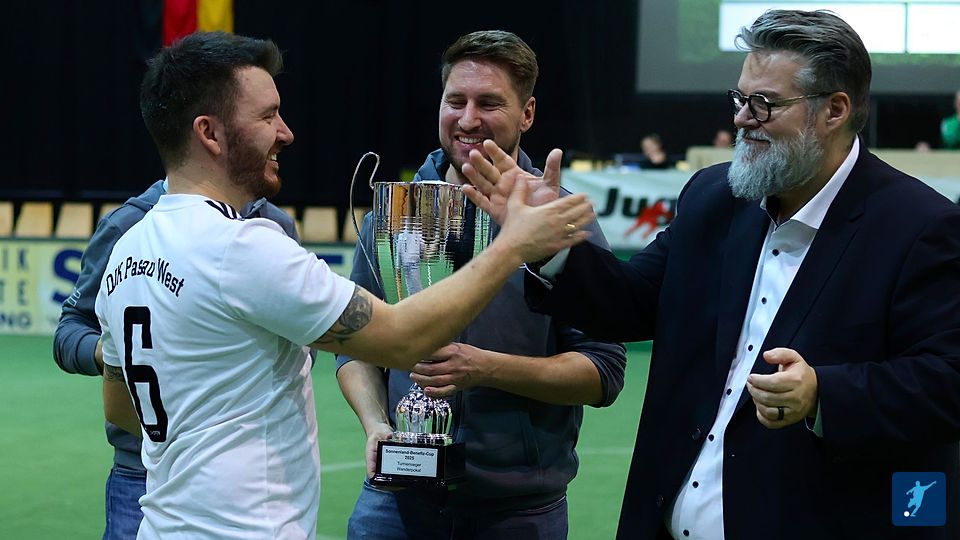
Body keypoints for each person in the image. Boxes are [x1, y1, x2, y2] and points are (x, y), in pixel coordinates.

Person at [463, 10, 960, 540]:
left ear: (834, 110)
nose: (743, 118)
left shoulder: (918, 226)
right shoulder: (714, 198)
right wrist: (550, 247)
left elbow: (947, 381)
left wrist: (823, 394)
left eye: (764, 103)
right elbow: (630, 303)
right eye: (740, 98)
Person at [95, 31, 593, 540]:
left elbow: (122, 409)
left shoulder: (129, 248)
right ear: (210, 133)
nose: (286, 133)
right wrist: (513, 245)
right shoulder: (243, 248)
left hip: (164, 524)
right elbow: (401, 339)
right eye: (267, 116)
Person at [335, 30, 626, 539]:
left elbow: (603, 372)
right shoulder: (395, 214)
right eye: (456, 101)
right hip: (394, 499)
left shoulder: (559, 220)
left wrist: (485, 368)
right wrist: (378, 424)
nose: (468, 119)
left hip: (517, 511)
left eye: (489, 103)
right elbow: (353, 346)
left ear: (527, 114)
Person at [54, 180, 297, 539]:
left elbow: (299, 338)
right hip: (141, 469)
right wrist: (114, 351)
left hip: (246, 470)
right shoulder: (128, 224)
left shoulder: (273, 224)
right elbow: (70, 329)